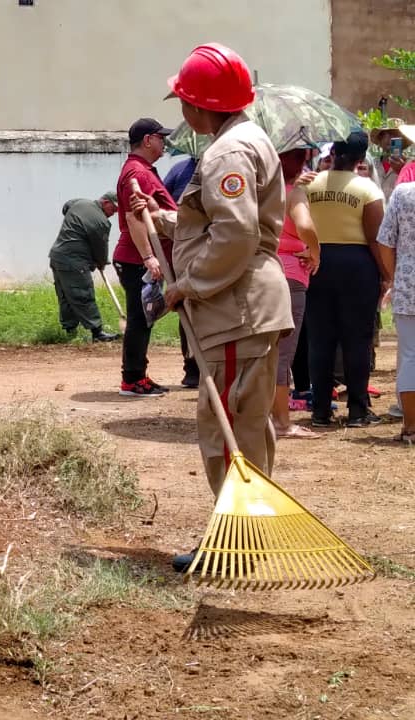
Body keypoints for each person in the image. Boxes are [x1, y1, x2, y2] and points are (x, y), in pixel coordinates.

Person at [133, 43, 293, 573]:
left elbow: (237, 235)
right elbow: (224, 226)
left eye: (183, 99)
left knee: (228, 425)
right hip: (245, 303)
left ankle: (238, 544)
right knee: (244, 422)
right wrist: (164, 221)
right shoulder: (245, 140)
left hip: (235, 306)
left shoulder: (227, 152)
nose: (180, 111)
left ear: (201, 105)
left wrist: (190, 285)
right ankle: (247, 535)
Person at [304, 130, 387, 428]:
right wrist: (386, 274)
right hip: (357, 264)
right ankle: (357, 409)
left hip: (317, 261)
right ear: (361, 158)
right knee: (357, 337)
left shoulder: (310, 183)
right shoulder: (367, 189)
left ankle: (321, 410)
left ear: (333, 153)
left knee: (320, 337)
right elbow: (376, 237)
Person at [114, 118, 197, 396]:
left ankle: (138, 375)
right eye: (160, 139)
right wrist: (149, 256)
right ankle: (132, 378)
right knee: (140, 318)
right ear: (148, 140)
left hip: (142, 256)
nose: (164, 144)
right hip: (137, 258)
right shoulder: (136, 174)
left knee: (145, 317)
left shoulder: (144, 170)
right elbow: (133, 216)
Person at [271, 147, 321, 439]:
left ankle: (267, 414)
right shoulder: (294, 193)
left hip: (263, 271)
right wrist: (316, 252)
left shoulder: (260, 192)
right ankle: (280, 420)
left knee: (266, 350)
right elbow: (304, 225)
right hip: (290, 276)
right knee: (283, 352)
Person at [47, 192, 121, 343]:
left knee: (66, 296)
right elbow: (101, 248)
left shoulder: (80, 203)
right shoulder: (101, 222)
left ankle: (69, 331)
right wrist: (101, 262)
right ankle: (97, 332)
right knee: (83, 294)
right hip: (73, 261)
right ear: (105, 202)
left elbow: (66, 206)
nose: (113, 214)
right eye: (113, 209)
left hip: (57, 256)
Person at [376, 179, 415, 443]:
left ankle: (411, 425)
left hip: (409, 287)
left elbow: (385, 241)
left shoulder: (403, 193)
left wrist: (394, 275)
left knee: (410, 357)